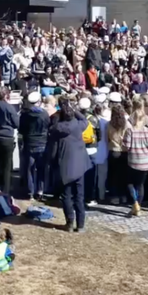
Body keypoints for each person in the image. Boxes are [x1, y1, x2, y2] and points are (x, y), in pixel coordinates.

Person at [50, 98, 92, 231]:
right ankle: (80, 225)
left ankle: (69, 223)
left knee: (66, 196)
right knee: (79, 196)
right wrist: (74, 110)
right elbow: (85, 119)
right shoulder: (78, 125)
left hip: (65, 166)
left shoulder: (57, 128)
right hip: (79, 165)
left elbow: (52, 127)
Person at [19, 90, 49, 200]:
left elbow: (21, 129)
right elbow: (47, 126)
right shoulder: (44, 114)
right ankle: (40, 190)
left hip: (29, 143)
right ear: (39, 101)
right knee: (41, 169)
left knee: (29, 169)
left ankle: (29, 191)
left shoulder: (25, 115)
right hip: (42, 143)